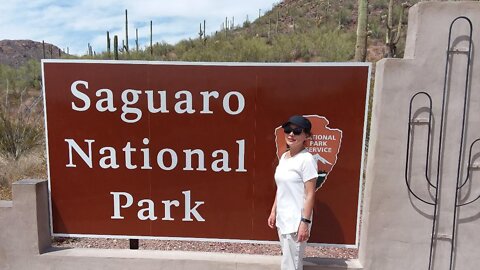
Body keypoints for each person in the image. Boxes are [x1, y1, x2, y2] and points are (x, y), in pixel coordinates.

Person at [268, 115, 318, 270]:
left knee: (292, 265)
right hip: (283, 219)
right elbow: (281, 188)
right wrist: (273, 211)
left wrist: (305, 222)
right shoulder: (284, 157)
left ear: (306, 136)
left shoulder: (307, 160)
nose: (291, 134)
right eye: (288, 129)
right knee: (288, 261)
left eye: (297, 131)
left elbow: (310, 194)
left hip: (296, 221)